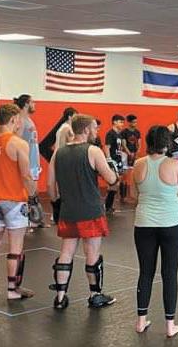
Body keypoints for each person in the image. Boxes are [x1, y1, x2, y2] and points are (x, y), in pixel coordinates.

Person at [47, 115, 119, 310]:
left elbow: (50, 186)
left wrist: (56, 203)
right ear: (86, 130)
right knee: (92, 253)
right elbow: (110, 178)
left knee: (66, 252)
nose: (97, 131)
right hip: (90, 211)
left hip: (68, 210)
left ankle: (60, 297)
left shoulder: (58, 153)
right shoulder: (93, 151)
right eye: (95, 128)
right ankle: (95, 295)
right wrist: (115, 175)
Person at [131, 125, 178, 338]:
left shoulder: (138, 164)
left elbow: (133, 195)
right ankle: (170, 326)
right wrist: (174, 199)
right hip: (172, 224)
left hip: (144, 224)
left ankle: (141, 322)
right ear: (167, 143)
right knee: (169, 273)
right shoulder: (174, 164)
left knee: (145, 272)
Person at [0, 103, 35, 300]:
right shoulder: (18, 143)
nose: (20, 122)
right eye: (18, 119)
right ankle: (12, 290)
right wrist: (34, 196)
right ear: (13, 119)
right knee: (15, 246)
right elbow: (26, 175)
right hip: (14, 199)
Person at [15, 94, 46, 229]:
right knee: (29, 194)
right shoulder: (20, 121)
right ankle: (27, 221)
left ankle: (34, 221)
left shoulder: (28, 120)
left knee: (33, 193)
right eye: (33, 102)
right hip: (27, 163)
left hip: (33, 163)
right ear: (26, 104)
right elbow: (16, 142)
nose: (35, 104)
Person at [103, 114, 126, 214]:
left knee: (117, 183)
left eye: (123, 122)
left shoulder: (119, 135)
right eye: (120, 122)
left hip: (119, 160)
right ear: (114, 122)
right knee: (114, 183)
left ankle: (109, 206)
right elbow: (107, 147)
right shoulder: (110, 134)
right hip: (113, 161)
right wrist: (109, 160)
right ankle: (107, 206)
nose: (122, 124)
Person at [121, 114, 142, 201]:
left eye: (136, 122)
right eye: (133, 122)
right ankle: (123, 196)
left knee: (136, 174)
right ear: (129, 122)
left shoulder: (137, 132)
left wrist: (137, 152)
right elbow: (123, 144)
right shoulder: (124, 132)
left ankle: (136, 195)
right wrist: (129, 153)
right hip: (125, 154)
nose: (135, 123)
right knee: (125, 175)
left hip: (134, 154)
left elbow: (139, 143)